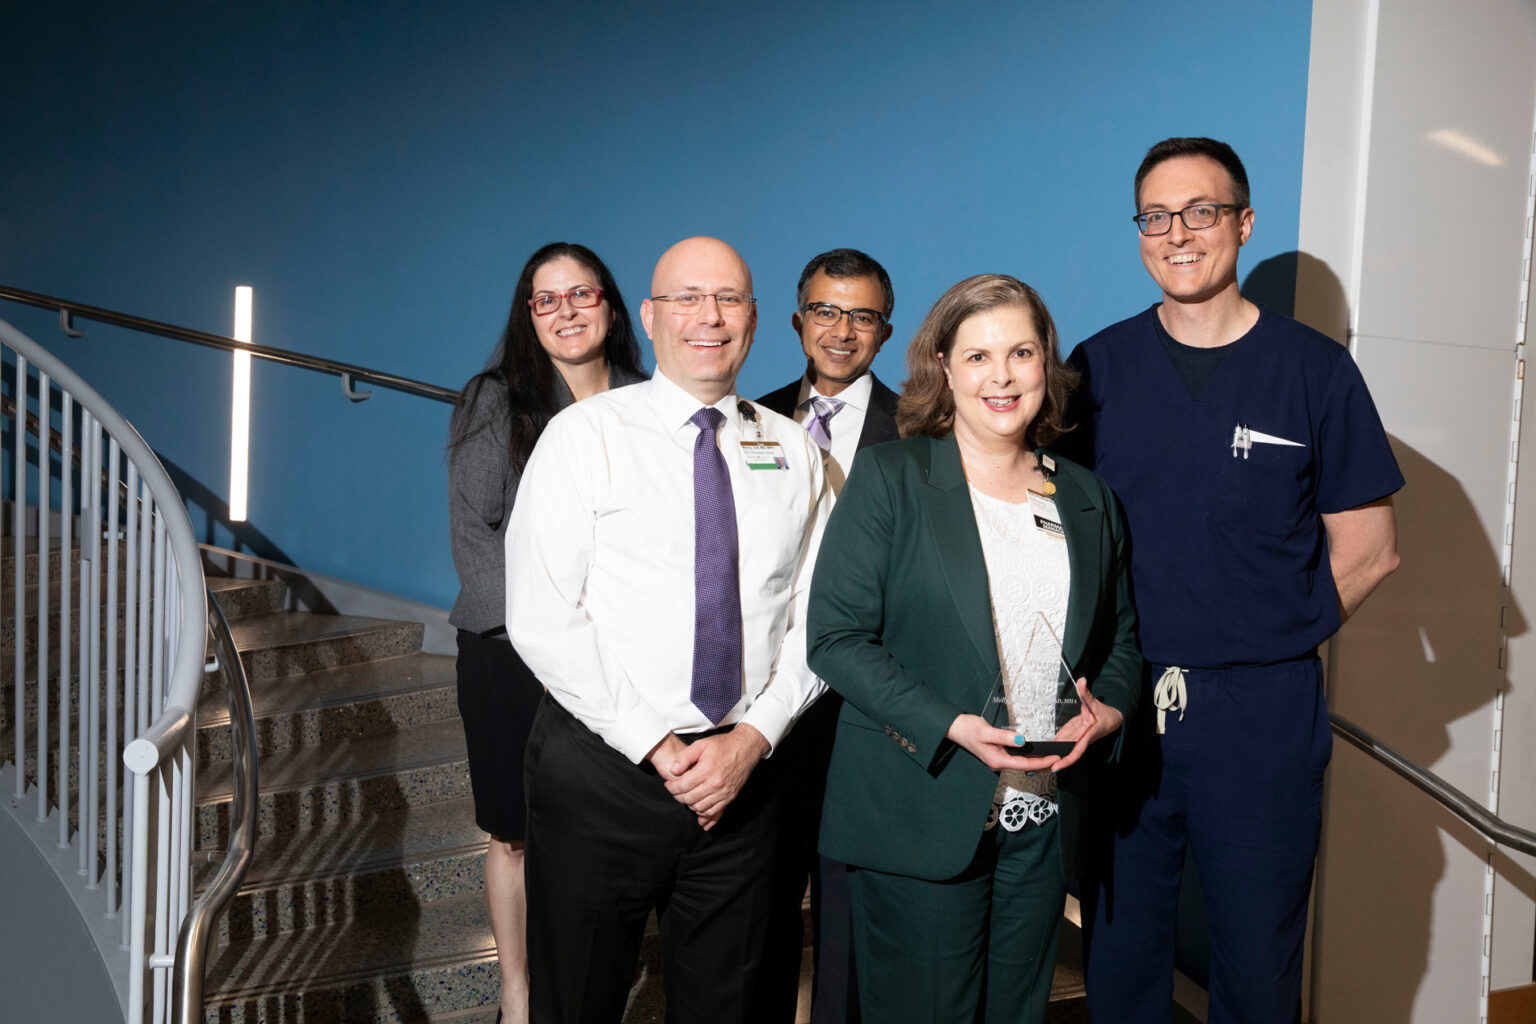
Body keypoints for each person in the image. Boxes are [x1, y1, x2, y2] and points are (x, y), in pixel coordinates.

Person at [1063, 137, 1403, 1024]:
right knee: (1123, 958)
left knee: (1257, 968)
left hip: (1261, 716)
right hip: (1124, 712)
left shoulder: (1314, 372)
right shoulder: (1093, 373)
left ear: (1244, 224)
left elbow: (1369, 549)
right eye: (1156, 216)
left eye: (1201, 211)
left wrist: (1269, 639)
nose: (1178, 233)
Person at [506, 236, 831, 1024]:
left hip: (743, 786)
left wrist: (751, 740)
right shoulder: (584, 437)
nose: (708, 317)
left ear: (755, 319)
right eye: (686, 298)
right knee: (574, 1003)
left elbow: (823, 622)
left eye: (729, 298)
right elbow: (543, 617)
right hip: (603, 773)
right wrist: (658, 744)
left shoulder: (794, 452)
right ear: (649, 317)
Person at [807, 274, 1142, 1024]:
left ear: (1045, 366)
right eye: (980, 355)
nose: (1002, 375)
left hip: (1042, 821)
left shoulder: (1088, 498)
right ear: (944, 367)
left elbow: (1120, 635)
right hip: (920, 808)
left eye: (1021, 353)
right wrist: (953, 725)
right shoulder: (893, 478)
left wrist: (1109, 714)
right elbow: (835, 639)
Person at [447, 241, 646, 1024]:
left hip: (622, 658)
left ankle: (595, 985)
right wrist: (552, 631)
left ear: (612, 305)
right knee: (518, 836)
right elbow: (474, 539)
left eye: (581, 295)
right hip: (512, 655)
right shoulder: (496, 398)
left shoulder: (646, 398)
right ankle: (519, 994)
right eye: (545, 299)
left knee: (606, 833)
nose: (565, 312)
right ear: (528, 315)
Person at [755, 247, 900, 1024]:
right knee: (763, 902)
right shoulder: (746, 419)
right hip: (765, 700)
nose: (841, 331)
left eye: (862, 315)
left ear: (885, 329)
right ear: (797, 320)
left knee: (846, 907)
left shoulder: (921, 432)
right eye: (825, 310)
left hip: (867, 708)